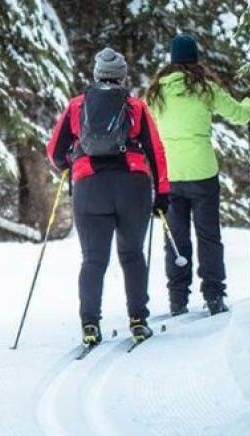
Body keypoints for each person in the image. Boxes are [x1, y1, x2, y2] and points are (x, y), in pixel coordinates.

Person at [46, 47, 170, 345]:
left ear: (97, 74)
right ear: (122, 76)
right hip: (132, 186)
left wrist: (70, 164)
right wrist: (163, 192)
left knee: (93, 259)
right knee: (132, 255)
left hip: (90, 187)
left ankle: (90, 325)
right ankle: (138, 320)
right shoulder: (136, 107)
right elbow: (155, 150)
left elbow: (53, 150)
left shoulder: (77, 105)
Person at [146, 34, 250, 317]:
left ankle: (178, 299)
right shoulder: (205, 90)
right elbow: (241, 115)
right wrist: (249, 103)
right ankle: (214, 295)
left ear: (171, 61)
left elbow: (144, 127)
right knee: (209, 235)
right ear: (195, 59)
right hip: (203, 173)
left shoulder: (156, 94)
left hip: (169, 176)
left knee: (174, 239)